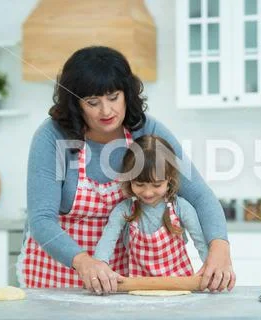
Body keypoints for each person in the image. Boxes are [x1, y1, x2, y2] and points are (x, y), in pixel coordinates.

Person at [16, 46, 235, 294]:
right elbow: (42, 220)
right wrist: (85, 262)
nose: (106, 111)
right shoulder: (52, 136)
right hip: (55, 272)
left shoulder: (146, 130)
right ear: (76, 104)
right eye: (92, 102)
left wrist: (220, 249)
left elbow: (199, 195)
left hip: (119, 276)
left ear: (126, 94)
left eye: (113, 97)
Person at [94, 135, 208, 277]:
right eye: (139, 184)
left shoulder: (181, 208)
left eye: (157, 185)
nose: (148, 193)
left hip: (179, 287)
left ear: (169, 180)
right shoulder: (124, 210)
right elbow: (107, 240)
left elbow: (201, 242)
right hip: (139, 289)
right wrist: (100, 265)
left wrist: (210, 268)